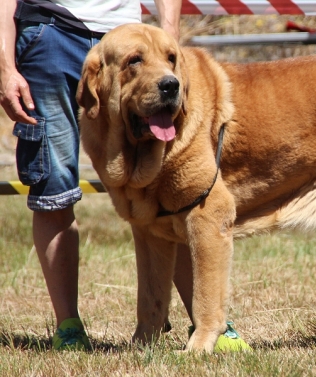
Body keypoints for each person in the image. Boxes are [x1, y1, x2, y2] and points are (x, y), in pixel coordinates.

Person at [0, 0, 182, 350]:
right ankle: (68, 327)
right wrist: (6, 67)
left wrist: (169, 38)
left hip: (131, 38)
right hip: (51, 35)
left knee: (174, 193)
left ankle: (207, 325)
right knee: (53, 187)